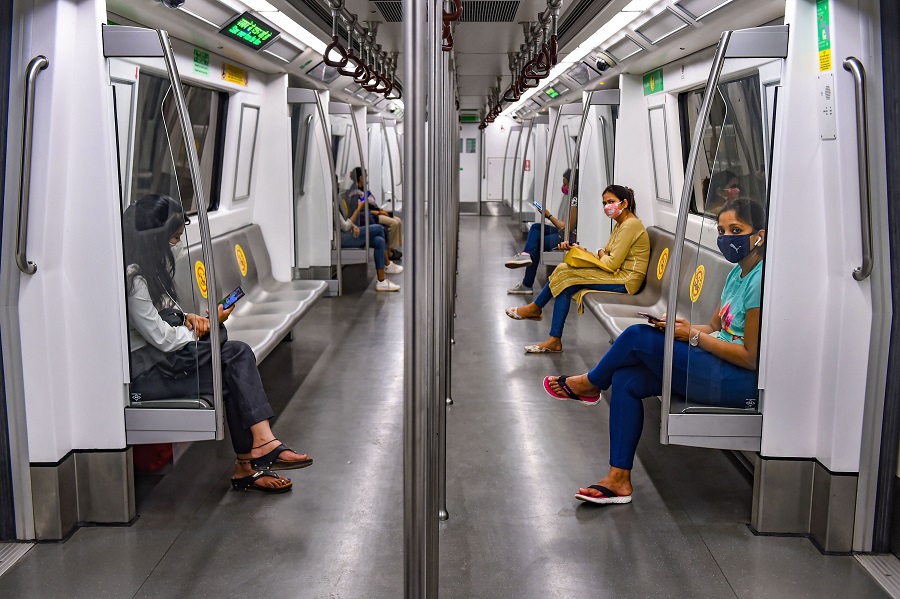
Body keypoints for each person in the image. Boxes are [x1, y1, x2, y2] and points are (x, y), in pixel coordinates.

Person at [542, 198, 766, 505]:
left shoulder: (760, 281)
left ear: (760, 236)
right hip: (714, 361)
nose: (727, 238)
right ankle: (619, 479)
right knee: (626, 379)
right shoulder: (736, 273)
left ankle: (590, 384)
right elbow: (714, 326)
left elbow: (750, 357)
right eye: (723, 230)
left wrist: (694, 340)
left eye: (736, 230)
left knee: (636, 336)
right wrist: (684, 328)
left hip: (737, 380)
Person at [123, 194, 312, 494]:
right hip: (150, 375)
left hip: (163, 363)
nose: (176, 246)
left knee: (234, 360)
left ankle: (255, 455)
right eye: (173, 240)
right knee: (233, 362)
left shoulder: (146, 272)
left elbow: (159, 317)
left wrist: (189, 319)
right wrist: (205, 328)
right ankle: (254, 457)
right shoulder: (134, 280)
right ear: (154, 240)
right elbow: (160, 337)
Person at [506, 185, 649, 353]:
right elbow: (606, 255)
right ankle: (554, 340)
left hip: (626, 280)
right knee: (564, 277)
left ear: (624, 203)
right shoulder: (621, 224)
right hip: (617, 274)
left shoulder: (630, 225)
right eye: (604, 203)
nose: (606, 207)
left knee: (565, 273)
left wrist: (601, 252)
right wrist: (581, 250)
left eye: (611, 202)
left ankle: (535, 308)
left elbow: (611, 262)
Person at [505, 169, 579, 295]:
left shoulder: (575, 200)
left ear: (574, 186)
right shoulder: (574, 198)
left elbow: (565, 228)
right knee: (535, 228)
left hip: (570, 239)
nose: (564, 187)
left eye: (566, 184)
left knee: (537, 243)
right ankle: (526, 255)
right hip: (566, 234)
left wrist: (548, 215)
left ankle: (527, 283)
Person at [337, 192, 402, 291]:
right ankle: (387, 264)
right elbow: (345, 226)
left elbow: (344, 223)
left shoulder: (336, 202)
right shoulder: (332, 207)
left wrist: (353, 226)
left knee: (379, 241)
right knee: (379, 229)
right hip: (341, 238)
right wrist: (359, 208)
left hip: (345, 233)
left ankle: (381, 281)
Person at [349, 167, 403, 261]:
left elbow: (369, 204)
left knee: (398, 220)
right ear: (361, 178)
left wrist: (380, 209)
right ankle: (388, 252)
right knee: (393, 223)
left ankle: (391, 248)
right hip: (371, 215)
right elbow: (363, 209)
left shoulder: (363, 190)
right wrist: (379, 212)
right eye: (365, 176)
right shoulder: (355, 193)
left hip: (375, 212)